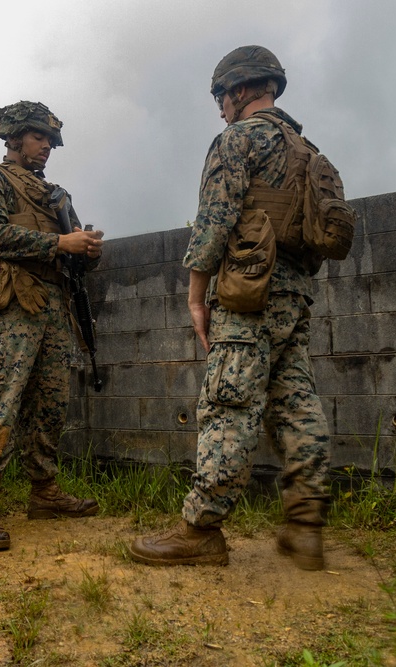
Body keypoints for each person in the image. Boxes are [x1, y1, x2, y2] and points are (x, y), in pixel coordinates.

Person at [129, 46, 338, 570]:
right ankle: (305, 525)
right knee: (297, 404)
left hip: (247, 295)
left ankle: (201, 530)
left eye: (222, 96)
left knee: (228, 406)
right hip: (294, 296)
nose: (220, 106)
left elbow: (214, 222)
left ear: (241, 90)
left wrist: (196, 296)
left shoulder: (238, 139)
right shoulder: (306, 149)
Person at [0, 100, 105, 551]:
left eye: (50, 141)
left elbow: (73, 252)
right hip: (10, 304)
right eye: (40, 138)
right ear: (15, 137)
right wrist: (61, 241)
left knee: (51, 404)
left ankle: (45, 492)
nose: (46, 147)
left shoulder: (57, 195)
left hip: (53, 305)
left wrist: (87, 252)